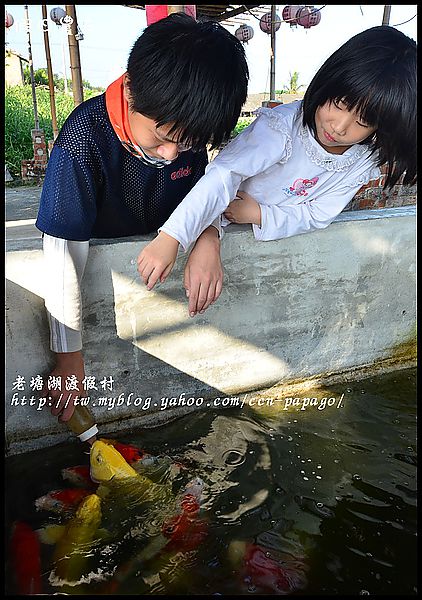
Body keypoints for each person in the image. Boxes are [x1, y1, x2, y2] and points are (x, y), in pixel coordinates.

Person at [35, 12, 249, 422]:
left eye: (189, 142)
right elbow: (62, 251)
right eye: (164, 138)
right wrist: (68, 358)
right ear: (131, 89)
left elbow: (200, 198)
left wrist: (208, 237)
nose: (173, 154)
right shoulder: (83, 138)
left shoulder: (186, 135)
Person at [137, 25, 417, 293]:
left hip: (272, 259)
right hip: (210, 220)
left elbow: (318, 215)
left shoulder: (360, 162)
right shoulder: (281, 128)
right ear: (329, 81)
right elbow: (223, 176)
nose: (340, 127)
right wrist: (173, 236)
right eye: (339, 104)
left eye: (363, 120)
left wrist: (259, 215)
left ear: (382, 126)